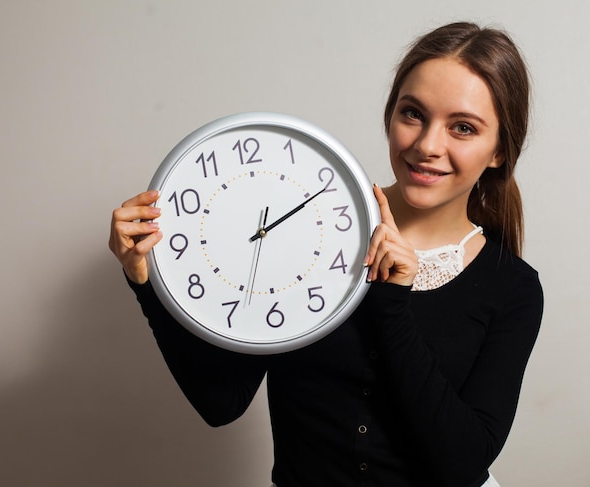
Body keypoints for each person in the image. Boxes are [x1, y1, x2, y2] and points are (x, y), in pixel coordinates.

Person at [109, 22, 543, 487]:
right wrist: (146, 281)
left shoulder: (511, 287)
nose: (426, 146)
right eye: (413, 113)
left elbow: (462, 464)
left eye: (462, 128)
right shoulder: (305, 232)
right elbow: (223, 403)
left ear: (499, 150)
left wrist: (392, 303)